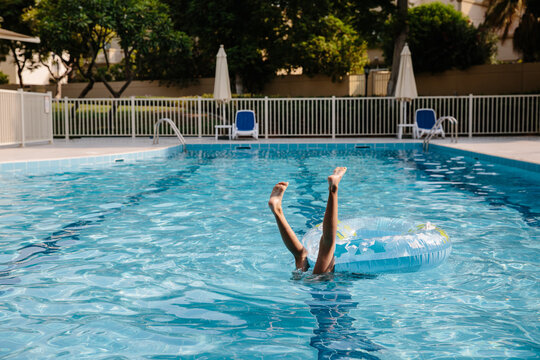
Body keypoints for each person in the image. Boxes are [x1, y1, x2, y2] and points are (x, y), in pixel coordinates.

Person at [268, 167, 347, 274]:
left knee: (304, 254)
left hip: (310, 283)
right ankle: (333, 190)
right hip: (314, 282)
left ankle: (277, 210)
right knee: (315, 250)